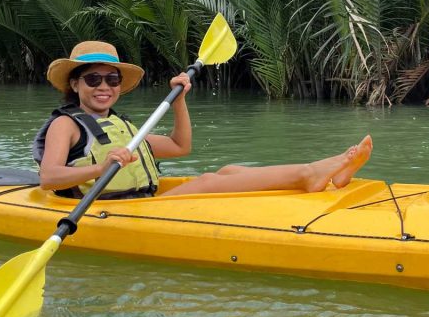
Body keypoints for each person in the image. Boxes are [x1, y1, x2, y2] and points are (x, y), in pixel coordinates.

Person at [33, 41, 372, 199]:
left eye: (112, 79)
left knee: (227, 172)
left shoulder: (123, 126)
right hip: (116, 211)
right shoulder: (66, 125)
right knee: (209, 180)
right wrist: (100, 167)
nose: (104, 87)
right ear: (75, 84)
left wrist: (180, 102)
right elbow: (48, 178)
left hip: (143, 202)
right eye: (93, 80)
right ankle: (309, 173)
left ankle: (319, 179)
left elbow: (181, 147)